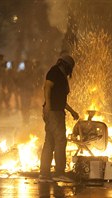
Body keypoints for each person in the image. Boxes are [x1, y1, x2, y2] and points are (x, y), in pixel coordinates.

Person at [39, 55, 79, 183]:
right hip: (54, 113)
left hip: (56, 111)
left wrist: (72, 111)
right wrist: (48, 108)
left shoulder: (61, 75)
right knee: (60, 141)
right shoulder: (55, 71)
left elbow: (60, 99)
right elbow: (47, 87)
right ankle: (59, 172)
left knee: (50, 142)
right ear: (65, 65)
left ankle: (44, 174)